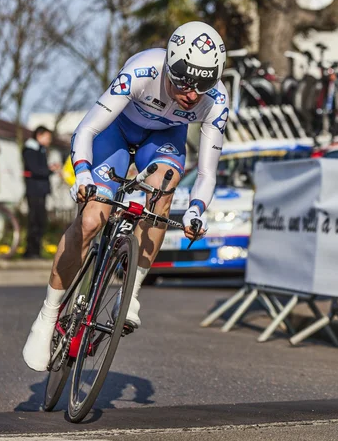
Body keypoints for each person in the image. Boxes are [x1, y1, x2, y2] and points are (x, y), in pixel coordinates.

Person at [23, 21, 229, 371]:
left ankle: (129, 294)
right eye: (182, 80)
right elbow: (87, 128)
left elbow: (207, 171)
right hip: (114, 134)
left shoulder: (217, 100)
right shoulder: (142, 69)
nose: (192, 93)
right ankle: (48, 314)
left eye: (203, 83)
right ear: (169, 64)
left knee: (165, 187)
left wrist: (196, 209)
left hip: (162, 141)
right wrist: (84, 172)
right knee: (90, 220)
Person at [22, 126, 59, 259]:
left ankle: (35, 251)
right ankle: (30, 251)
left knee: (41, 221)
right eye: (47, 137)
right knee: (34, 221)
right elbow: (36, 170)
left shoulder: (41, 149)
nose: (49, 141)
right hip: (34, 190)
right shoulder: (30, 149)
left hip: (41, 191)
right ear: (39, 135)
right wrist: (50, 170)